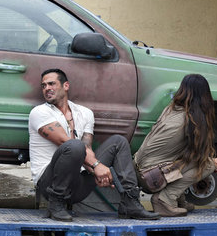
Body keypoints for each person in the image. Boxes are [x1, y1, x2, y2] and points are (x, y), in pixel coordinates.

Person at [29, 68, 159, 221]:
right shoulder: (39, 112)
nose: (47, 89)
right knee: (74, 146)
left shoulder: (85, 113)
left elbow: (87, 149)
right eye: (43, 86)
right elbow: (66, 142)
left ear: (66, 86)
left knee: (118, 142)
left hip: (78, 185)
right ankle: (55, 204)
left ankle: (130, 203)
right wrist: (97, 166)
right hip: (50, 183)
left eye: (51, 84)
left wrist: (96, 169)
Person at [134, 74, 217, 217]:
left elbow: (179, 151)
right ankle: (164, 200)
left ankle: (179, 200)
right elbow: (199, 156)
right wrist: (214, 161)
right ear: (205, 95)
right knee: (207, 165)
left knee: (184, 156)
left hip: (138, 171)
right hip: (152, 178)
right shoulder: (193, 119)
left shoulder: (171, 109)